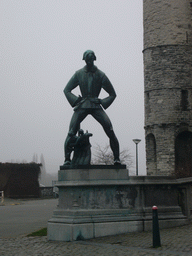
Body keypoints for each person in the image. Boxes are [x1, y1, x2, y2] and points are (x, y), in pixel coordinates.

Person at [63, 50, 120, 165]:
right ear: (84, 60)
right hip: (83, 105)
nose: (89, 62)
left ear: (94, 59)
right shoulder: (79, 74)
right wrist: (76, 100)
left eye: (91, 59)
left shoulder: (100, 75)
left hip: (95, 105)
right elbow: (66, 90)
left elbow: (113, 94)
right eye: (87, 60)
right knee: (71, 132)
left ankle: (117, 158)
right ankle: (67, 159)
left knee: (109, 129)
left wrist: (102, 101)